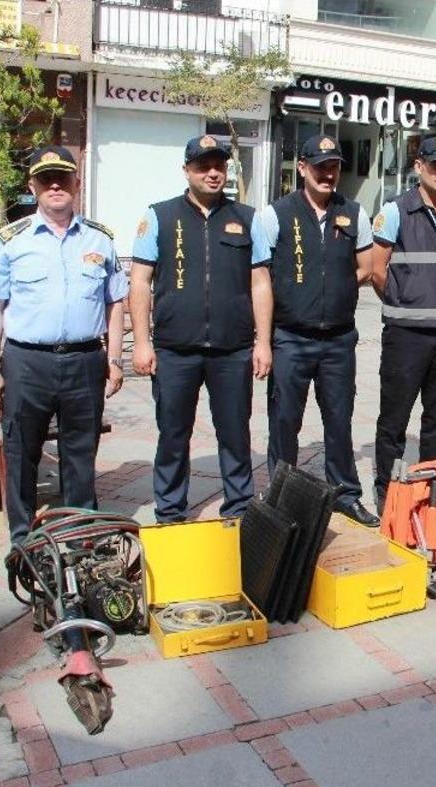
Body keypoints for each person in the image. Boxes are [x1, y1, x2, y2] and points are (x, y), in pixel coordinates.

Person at [0, 145, 128, 543]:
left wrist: (114, 360)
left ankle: (79, 533)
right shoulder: (10, 240)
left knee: (81, 454)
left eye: (63, 177)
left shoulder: (100, 240)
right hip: (28, 363)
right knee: (21, 453)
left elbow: (115, 303)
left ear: (77, 183)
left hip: (84, 361)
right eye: (46, 179)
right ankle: (23, 537)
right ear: (33, 186)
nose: (55, 185)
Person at [129, 135, 272, 521]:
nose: (212, 173)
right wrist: (142, 342)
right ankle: (171, 512)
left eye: (219, 166)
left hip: (233, 350)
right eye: (203, 166)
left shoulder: (248, 218)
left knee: (235, 435)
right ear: (186, 170)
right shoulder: (158, 216)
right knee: (173, 435)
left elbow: (260, 282)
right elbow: (139, 280)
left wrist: (263, 342)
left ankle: (239, 508)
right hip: (176, 350)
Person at [251, 136, 378, 526]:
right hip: (291, 337)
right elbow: (260, 280)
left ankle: (344, 494)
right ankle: (281, 496)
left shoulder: (353, 213)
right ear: (302, 168)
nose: (328, 174)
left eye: (334, 166)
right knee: (285, 421)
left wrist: (333, 290)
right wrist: (263, 342)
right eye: (320, 166)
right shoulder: (274, 215)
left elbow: (366, 268)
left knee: (339, 420)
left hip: (339, 340)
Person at [370, 136, 436, 508]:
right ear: (419, 168)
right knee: (394, 419)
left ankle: (434, 490)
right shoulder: (397, 211)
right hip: (406, 337)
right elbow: (376, 270)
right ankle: (387, 491)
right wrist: (405, 303)